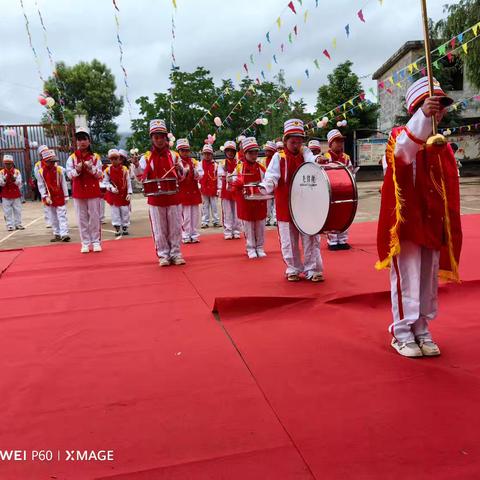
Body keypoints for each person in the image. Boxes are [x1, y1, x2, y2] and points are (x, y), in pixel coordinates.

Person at [376, 77, 462, 358]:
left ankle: (422, 328)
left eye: (442, 106)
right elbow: (402, 155)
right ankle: (401, 332)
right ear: (417, 107)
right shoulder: (400, 135)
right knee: (407, 277)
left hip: (432, 221)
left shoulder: (443, 146)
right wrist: (423, 118)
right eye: (433, 106)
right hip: (407, 223)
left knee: (427, 278)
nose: (439, 111)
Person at [260, 119, 324, 282]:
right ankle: (293, 267)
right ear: (285, 140)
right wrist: (266, 186)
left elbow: (313, 161)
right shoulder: (278, 156)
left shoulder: (306, 153)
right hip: (285, 204)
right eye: (292, 141)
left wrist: (319, 161)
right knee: (289, 239)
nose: (296, 144)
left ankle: (312, 269)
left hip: (306, 204)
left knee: (310, 236)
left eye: (299, 141)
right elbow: (271, 176)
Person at [132, 119, 186, 266]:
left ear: (165, 137)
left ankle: (176, 253)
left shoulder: (174, 155)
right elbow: (139, 177)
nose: (159, 140)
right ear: (151, 139)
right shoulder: (146, 157)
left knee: (175, 227)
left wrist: (180, 168)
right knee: (159, 228)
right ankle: (163, 255)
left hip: (173, 197)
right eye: (156, 137)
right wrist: (136, 166)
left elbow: (182, 176)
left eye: (161, 136)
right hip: (155, 199)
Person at [66, 127, 104, 253]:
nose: (82, 142)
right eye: (79, 139)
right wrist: (77, 170)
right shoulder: (72, 158)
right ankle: (85, 243)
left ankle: (96, 241)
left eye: (85, 139)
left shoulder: (95, 157)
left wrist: (91, 168)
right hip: (79, 191)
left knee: (94, 216)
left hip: (93, 191)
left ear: (89, 141)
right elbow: (69, 175)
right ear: (76, 142)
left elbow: (100, 174)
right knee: (81, 218)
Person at [232, 137, 267, 258]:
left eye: (255, 152)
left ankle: (260, 247)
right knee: (248, 226)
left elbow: (267, 180)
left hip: (259, 201)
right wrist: (236, 182)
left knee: (260, 225)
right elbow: (230, 180)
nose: (254, 155)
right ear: (245, 153)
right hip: (246, 201)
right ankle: (251, 247)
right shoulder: (239, 167)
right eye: (251, 153)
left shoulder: (261, 167)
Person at [324, 129, 353, 250]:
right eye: (337, 141)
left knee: (345, 214)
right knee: (332, 215)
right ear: (330, 144)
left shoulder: (346, 157)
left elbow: (351, 172)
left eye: (341, 141)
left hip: (345, 190)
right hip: (331, 191)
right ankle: (332, 241)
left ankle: (342, 239)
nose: (340, 144)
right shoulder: (326, 157)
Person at [36, 149, 70, 242]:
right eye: (50, 162)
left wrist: (66, 195)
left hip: (59, 195)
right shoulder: (40, 172)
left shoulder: (59, 170)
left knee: (62, 215)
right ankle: (57, 234)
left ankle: (64, 234)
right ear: (45, 161)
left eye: (54, 161)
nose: (53, 163)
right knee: (53, 216)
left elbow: (63, 183)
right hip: (49, 197)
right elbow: (41, 185)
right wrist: (44, 196)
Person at [176, 138, 203, 243]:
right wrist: (181, 170)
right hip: (183, 191)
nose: (185, 152)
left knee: (195, 215)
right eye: (182, 150)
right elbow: (178, 177)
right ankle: (185, 234)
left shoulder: (194, 161)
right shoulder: (177, 163)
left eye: (187, 150)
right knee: (185, 216)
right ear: (179, 151)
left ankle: (194, 234)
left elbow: (201, 174)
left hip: (193, 190)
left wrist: (195, 171)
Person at [103, 148, 133, 237]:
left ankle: (125, 226)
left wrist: (129, 193)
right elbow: (105, 182)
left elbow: (128, 182)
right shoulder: (107, 170)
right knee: (115, 211)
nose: (114, 161)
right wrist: (111, 188)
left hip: (123, 193)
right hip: (114, 195)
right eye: (112, 159)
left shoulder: (124, 169)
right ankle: (117, 227)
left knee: (125, 211)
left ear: (119, 159)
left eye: (116, 158)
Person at [217, 140, 241, 239]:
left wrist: (231, 176)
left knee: (236, 211)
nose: (230, 153)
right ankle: (228, 231)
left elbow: (239, 174)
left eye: (232, 151)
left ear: (235, 152)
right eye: (228, 151)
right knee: (227, 212)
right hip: (226, 190)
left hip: (236, 189)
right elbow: (220, 175)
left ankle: (236, 230)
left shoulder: (239, 162)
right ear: (225, 152)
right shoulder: (222, 163)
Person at [0, 154, 24, 231]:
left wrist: (14, 180)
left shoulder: (17, 172)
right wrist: (4, 180)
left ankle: (18, 224)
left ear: (12, 163)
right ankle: (9, 225)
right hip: (5, 194)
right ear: (4, 164)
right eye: (6, 163)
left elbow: (19, 183)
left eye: (9, 163)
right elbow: (1, 184)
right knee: (7, 210)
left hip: (15, 193)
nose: (8, 165)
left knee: (17, 209)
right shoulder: (1, 172)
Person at [199, 144, 220, 228]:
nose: (207, 156)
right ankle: (205, 221)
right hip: (204, 188)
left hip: (213, 188)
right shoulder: (199, 164)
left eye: (209, 154)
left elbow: (218, 177)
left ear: (212, 154)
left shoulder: (216, 165)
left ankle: (216, 221)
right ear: (203, 154)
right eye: (205, 154)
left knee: (214, 206)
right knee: (205, 206)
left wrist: (218, 188)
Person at [34, 144, 52, 228]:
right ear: (40, 155)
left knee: (56, 202)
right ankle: (48, 221)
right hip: (43, 186)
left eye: (46, 151)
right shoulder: (37, 165)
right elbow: (38, 177)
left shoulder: (53, 161)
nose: (45, 154)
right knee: (46, 203)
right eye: (43, 153)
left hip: (53, 185)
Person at [264, 141, 277, 226]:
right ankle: (268, 219)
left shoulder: (276, 160)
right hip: (267, 185)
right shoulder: (263, 161)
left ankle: (276, 219)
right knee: (267, 204)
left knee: (276, 203)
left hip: (275, 185)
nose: (266, 152)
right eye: (266, 150)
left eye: (268, 151)